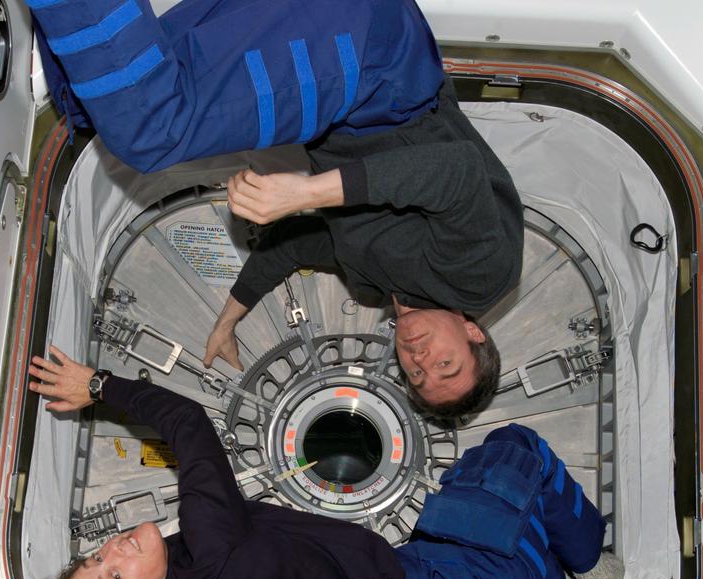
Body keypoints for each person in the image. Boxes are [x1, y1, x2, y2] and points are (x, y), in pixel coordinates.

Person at [28, 0, 524, 417]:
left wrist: (227, 321)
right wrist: (305, 193)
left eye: (416, 375)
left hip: (354, 82)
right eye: (445, 365)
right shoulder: (480, 278)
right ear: (472, 331)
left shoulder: (378, 285)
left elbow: (291, 251)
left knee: (101, 99)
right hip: (378, 77)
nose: (420, 360)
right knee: (152, 129)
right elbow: (454, 173)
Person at [27, 347, 623, 579]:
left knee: (500, 523)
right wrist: (100, 386)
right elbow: (188, 424)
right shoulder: (211, 552)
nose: (114, 547)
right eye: (112, 573)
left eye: (95, 556)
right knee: (516, 454)